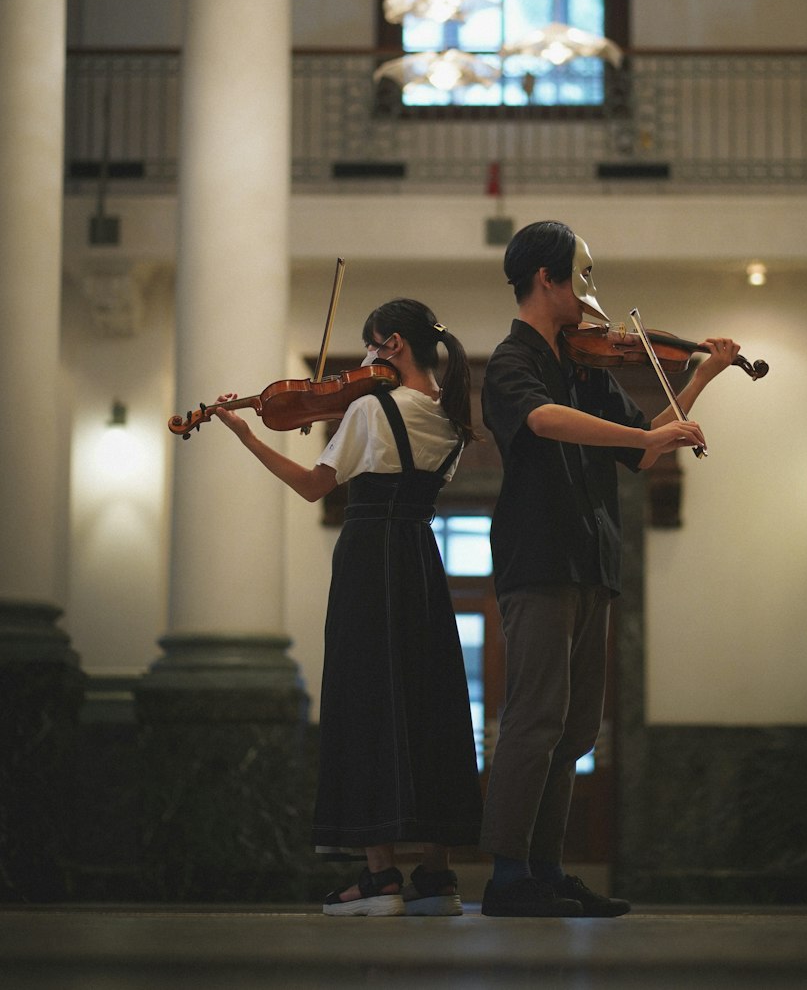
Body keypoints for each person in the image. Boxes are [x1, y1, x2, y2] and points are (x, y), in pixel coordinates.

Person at [479, 221, 740, 918]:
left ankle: (546, 867)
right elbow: (544, 422)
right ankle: (507, 876)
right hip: (538, 558)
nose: (591, 290)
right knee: (535, 718)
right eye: (581, 274)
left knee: (574, 730)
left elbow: (647, 449)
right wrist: (646, 433)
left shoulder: (586, 367)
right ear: (546, 279)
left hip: (589, 555)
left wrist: (701, 376)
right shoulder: (512, 363)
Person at [214, 298, 482, 918]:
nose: (363, 360)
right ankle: (436, 878)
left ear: (390, 345)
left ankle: (380, 876)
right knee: (429, 700)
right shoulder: (451, 416)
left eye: (370, 346)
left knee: (364, 700)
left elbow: (314, 486)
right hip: (420, 557)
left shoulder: (368, 406)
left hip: (369, 559)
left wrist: (246, 433)